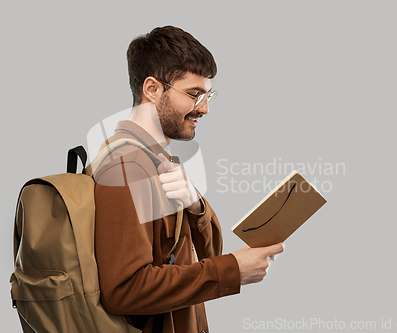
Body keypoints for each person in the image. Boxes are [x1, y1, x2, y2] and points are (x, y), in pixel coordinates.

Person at [93, 26, 284, 333]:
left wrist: (194, 205)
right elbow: (124, 291)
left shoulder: (158, 161)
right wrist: (232, 270)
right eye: (194, 95)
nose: (205, 108)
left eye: (208, 95)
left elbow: (207, 255)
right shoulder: (126, 165)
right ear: (152, 89)